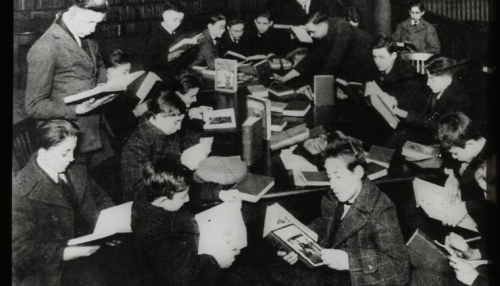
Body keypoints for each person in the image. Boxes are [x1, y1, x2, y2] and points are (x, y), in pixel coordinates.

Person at [12, 120, 116, 286]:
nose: (72, 158)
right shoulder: (20, 192)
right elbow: (19, 251)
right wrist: (65, 253)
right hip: (58, 266)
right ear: (43, 154)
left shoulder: (75, 167)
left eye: (73, 150)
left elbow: (99, 196)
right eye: (65, 152)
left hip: (93, 241)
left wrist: (111, 227)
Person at [24, 0, 116, 171]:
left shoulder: (86, 36)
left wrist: (103, 85)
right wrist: (75, 110)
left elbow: (99, 63)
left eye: (98, 23)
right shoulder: (45, 47)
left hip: (96, 132)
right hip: (67, 140)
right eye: (90, 21)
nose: (93, 29)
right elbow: (33, 106)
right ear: (72, 12)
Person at [131, 159, 241, 285]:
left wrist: (219, 193)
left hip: (193, 251)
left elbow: (192, 191)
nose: (187, 199)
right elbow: (185, 274)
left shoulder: (156, 193)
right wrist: (217, 261)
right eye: (183, 197)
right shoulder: (152, 232)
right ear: (163, 201)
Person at [120, 89, 202, 202]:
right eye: (176, 122)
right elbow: (135, 191)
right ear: (159, 116)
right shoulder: (136, 146)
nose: (178, 127)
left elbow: (180, 142)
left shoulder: (164, 129)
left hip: (172, 189)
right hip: (154, 200)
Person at [273, 10, 379, 84]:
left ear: (323, 26)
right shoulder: (328, 29)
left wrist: (316, 88)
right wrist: (284, 78)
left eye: (312, 32)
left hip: (371, 70)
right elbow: (311, 58)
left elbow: (332, 62)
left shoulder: (342, 28)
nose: (311, 36)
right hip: (357, 70)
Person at [391, 55, 472, 143]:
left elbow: (438, 125)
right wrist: (397, 102)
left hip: (442, 140)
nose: (428, 83)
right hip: (427, 133)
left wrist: (406, 114)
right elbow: (416, 103)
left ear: (448, 80)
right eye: (428, 78)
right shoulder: (437, 87)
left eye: (432, 79)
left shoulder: (460, 98)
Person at [102, 49, 149, 153]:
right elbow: (116, 128)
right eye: (124, 72)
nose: (128, 76)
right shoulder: (106, 96)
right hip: (121, 146)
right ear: (109, 73)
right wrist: (136, 112)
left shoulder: (119, 91)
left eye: (129, 72)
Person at [366, 35, 426, 113]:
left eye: (381, 57)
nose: (377, 61)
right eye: (375, 57)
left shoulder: (407, 71)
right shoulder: (375, 68)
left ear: (394, 56)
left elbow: (409, 102)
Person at [142, 1, 196, 82]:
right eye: (175, 19)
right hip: (160, 79)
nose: (178, 24)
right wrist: (168, 57)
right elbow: (147, 64)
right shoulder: (153, 35)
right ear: (165, 16)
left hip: (177, 75)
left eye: (181, 20)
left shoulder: (179, 31)